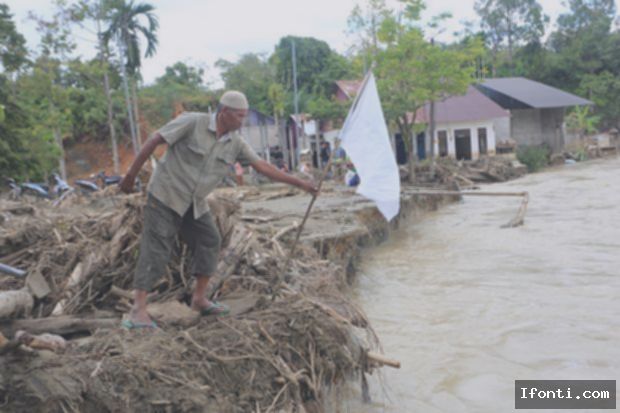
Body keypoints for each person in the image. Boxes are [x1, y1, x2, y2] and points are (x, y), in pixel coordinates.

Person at [119, 90, 317, 328]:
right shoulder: (193, 122)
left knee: (210, 239)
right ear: (224, 113)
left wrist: (301, 183)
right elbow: (154, 140)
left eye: (244, 116)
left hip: (194, 202)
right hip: (165, 194)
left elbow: (263, 167)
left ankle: (199, 298)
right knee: (156, 248)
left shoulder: (236, 143)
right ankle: (138, 310)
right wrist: (130, 176)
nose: (243, 121)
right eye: (239, 116)